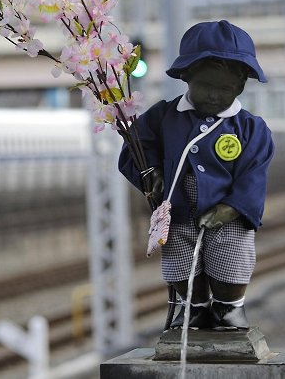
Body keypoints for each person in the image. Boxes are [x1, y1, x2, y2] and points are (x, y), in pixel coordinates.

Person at [118, 20, 275, 330]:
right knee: (180, 256)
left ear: (241, 85)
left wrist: (233, 206)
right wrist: (150, 176)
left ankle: (229, 308)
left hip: (228, 209)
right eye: (206, 86)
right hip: (176, 206)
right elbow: (135, 150)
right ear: (186, 76)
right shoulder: (163, 116)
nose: (214, 96)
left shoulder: (250, 128)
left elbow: (253, 174)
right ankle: (193, 306)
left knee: (231, 254)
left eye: (225, 89)